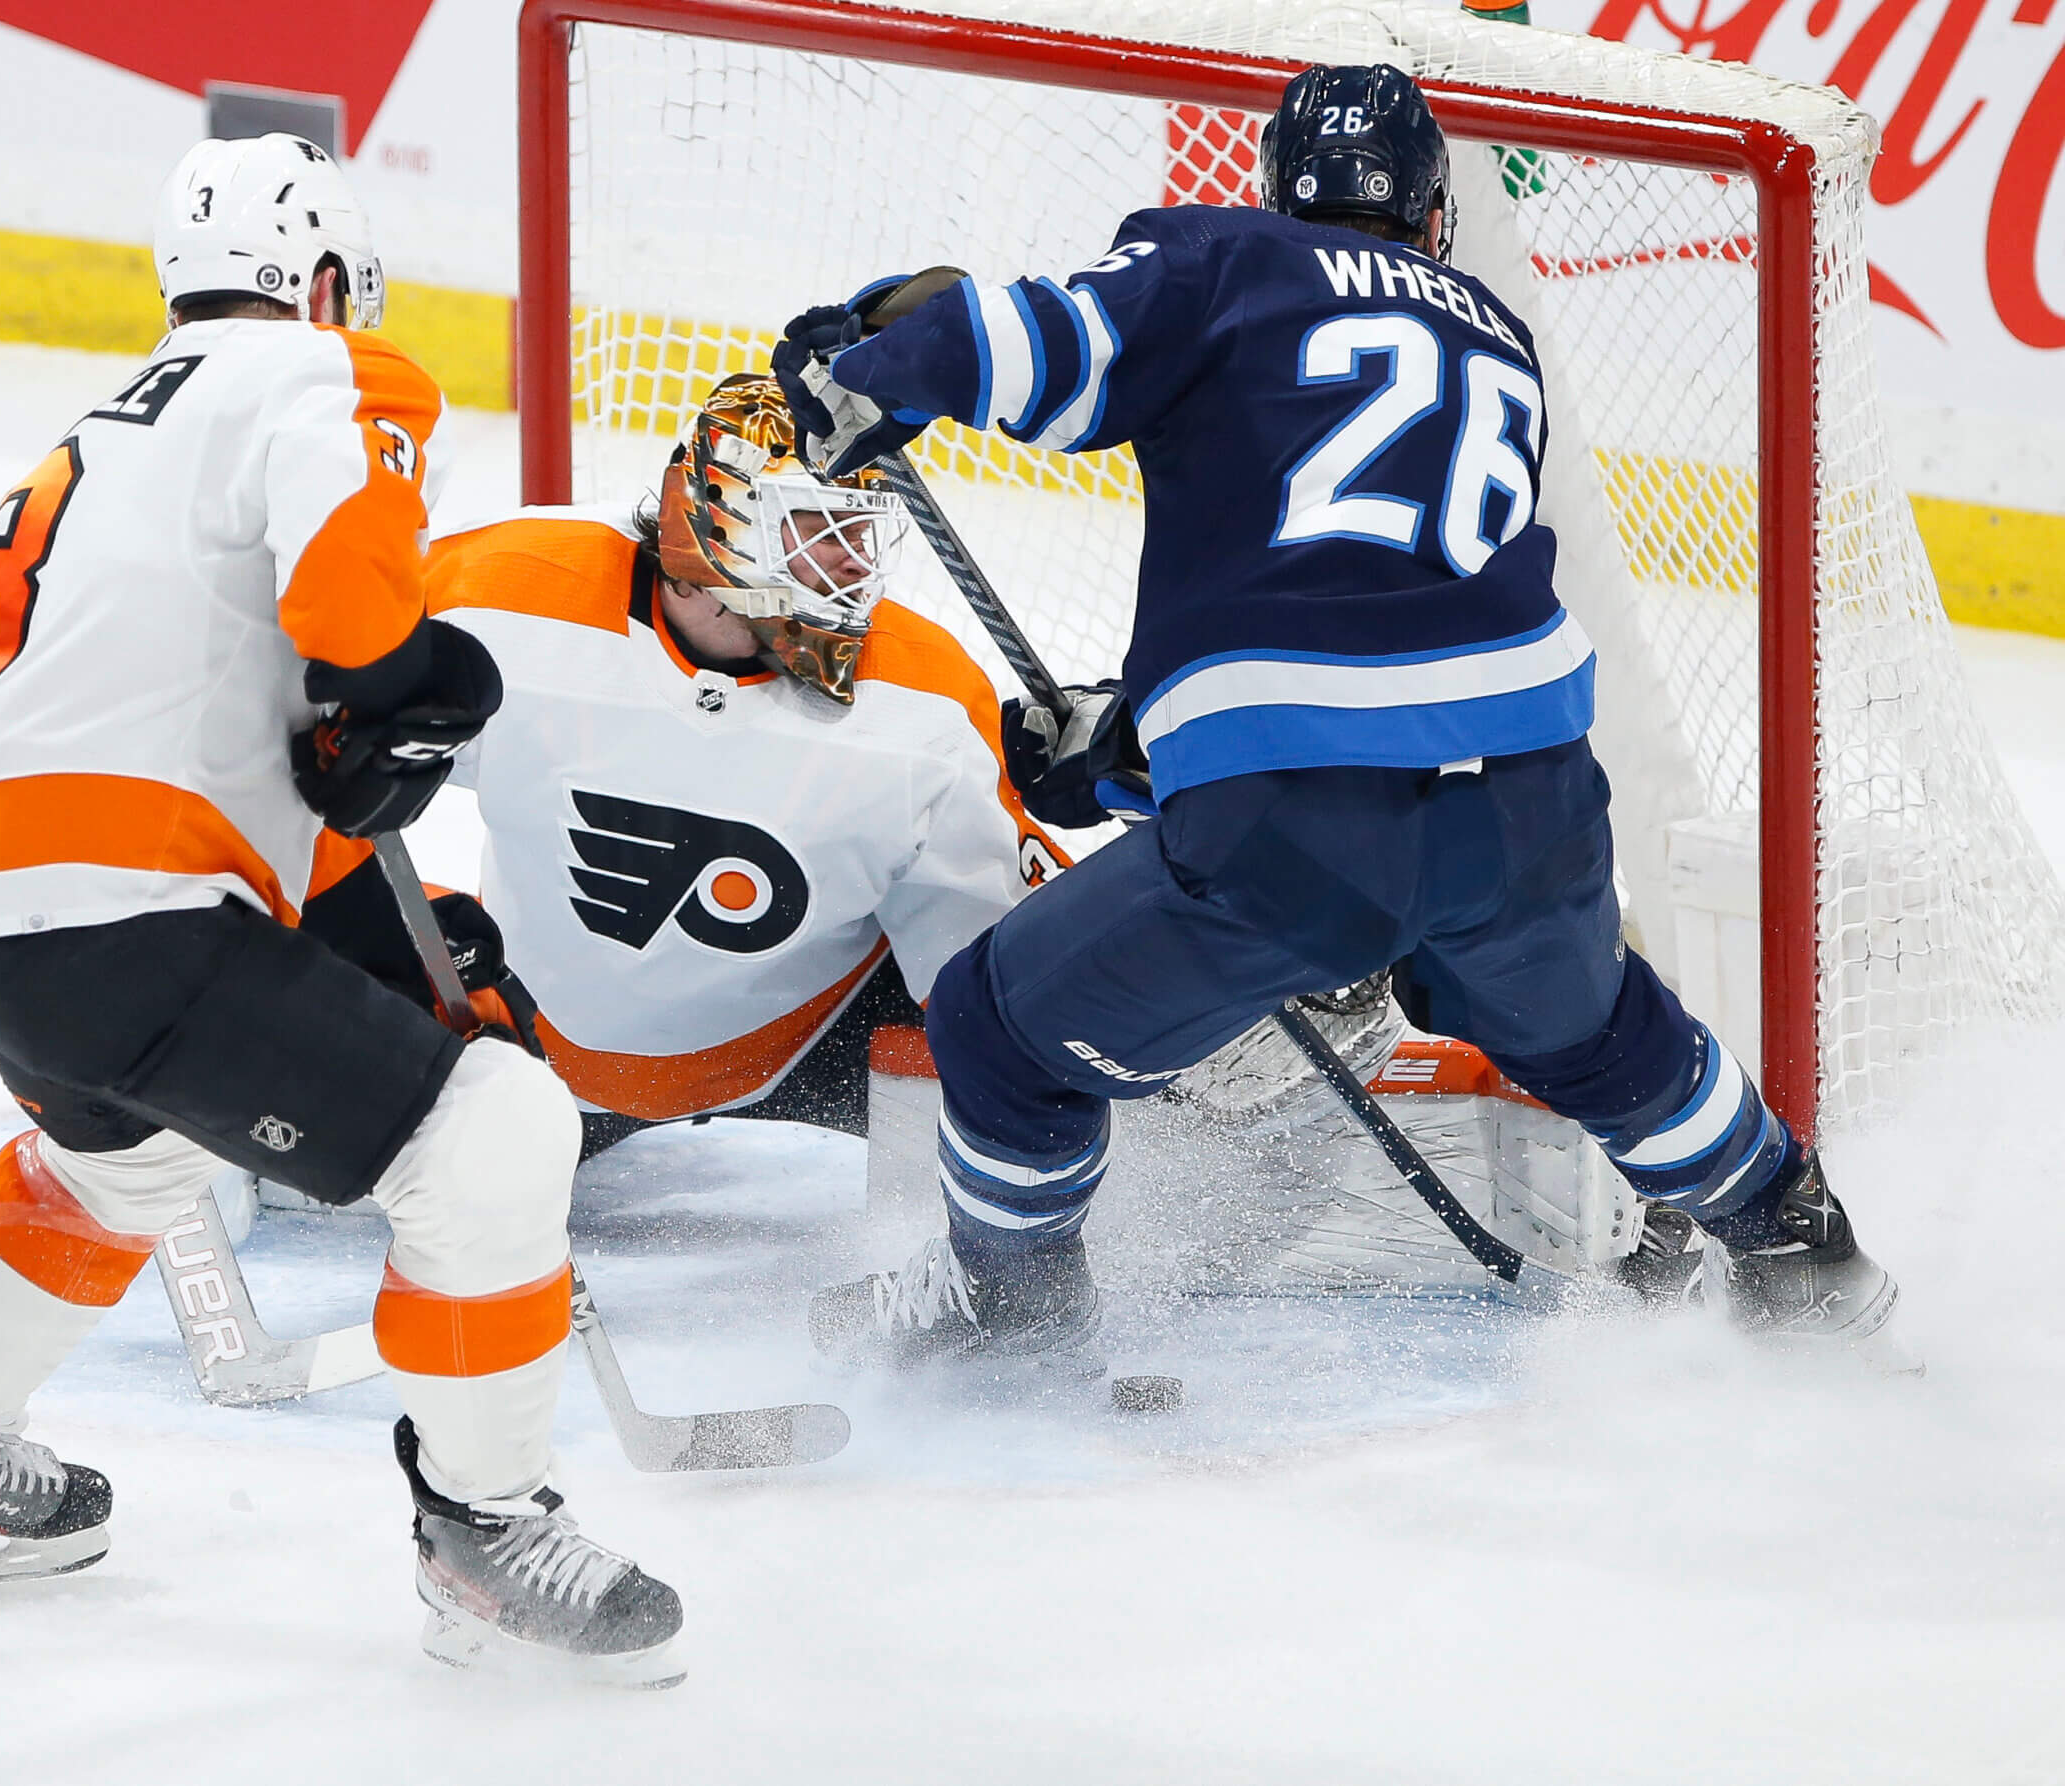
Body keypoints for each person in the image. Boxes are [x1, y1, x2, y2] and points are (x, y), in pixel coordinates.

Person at [770, 64, 1905, 1368]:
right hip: (1530, 804)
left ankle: (1007, 1318)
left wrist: (872, 360)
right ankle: (1797, 1239)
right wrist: (1139, 750)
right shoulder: (1497, 337)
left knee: (995, 1031)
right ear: (1436, 220)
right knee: (1595, 1030)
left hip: (1296, 832)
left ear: (1280, 195)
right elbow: (1383, 612)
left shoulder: (1224, 262)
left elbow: (1027, 347)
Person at [0, 132, 684, 1685]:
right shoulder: (312, 377)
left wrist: (370, 881)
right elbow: (355, 630)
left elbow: (257, 752)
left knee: (131, 1158)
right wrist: (414, 690)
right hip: (110, 896)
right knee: (494, 1131)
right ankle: (484, 1533)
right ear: (315, 285)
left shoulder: (107, 430)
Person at [294, 372, 1065, 1163]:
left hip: (818, 1039)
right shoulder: (503, 597)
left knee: (1059, 1038)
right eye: (817, 531)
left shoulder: (927, 701)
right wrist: (362, 920)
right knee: (273, 1024)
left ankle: (991, 1263)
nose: (853, 567)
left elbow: (1003, 965)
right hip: (532, 1043)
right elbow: (270, 732)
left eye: (859, 535)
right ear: (717, 527)